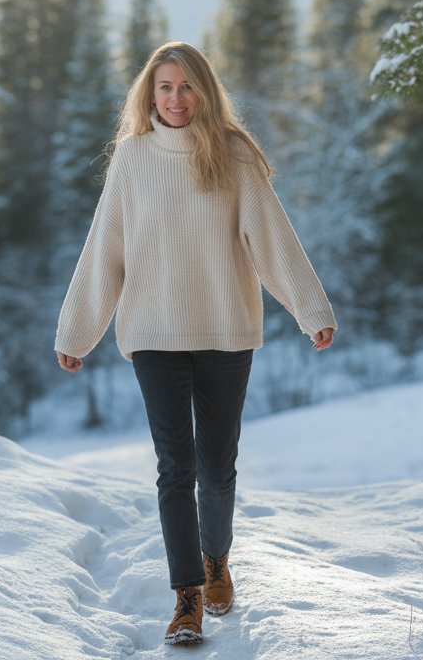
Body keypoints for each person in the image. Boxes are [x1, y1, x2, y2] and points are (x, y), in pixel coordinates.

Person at [54, 41, 336, 646]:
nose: (175, 99)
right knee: (174, 467)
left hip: (225, 328)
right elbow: (104, 249)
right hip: (153, 330)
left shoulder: (232, 155)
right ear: (148, 95)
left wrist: (311, 309)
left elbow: (273, 240)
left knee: (217, 465)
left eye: (186, 87)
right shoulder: (130, 159)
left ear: (204, 91)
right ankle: (186, 599)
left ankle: (216, 562)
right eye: (164, 88)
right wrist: (78, 329)